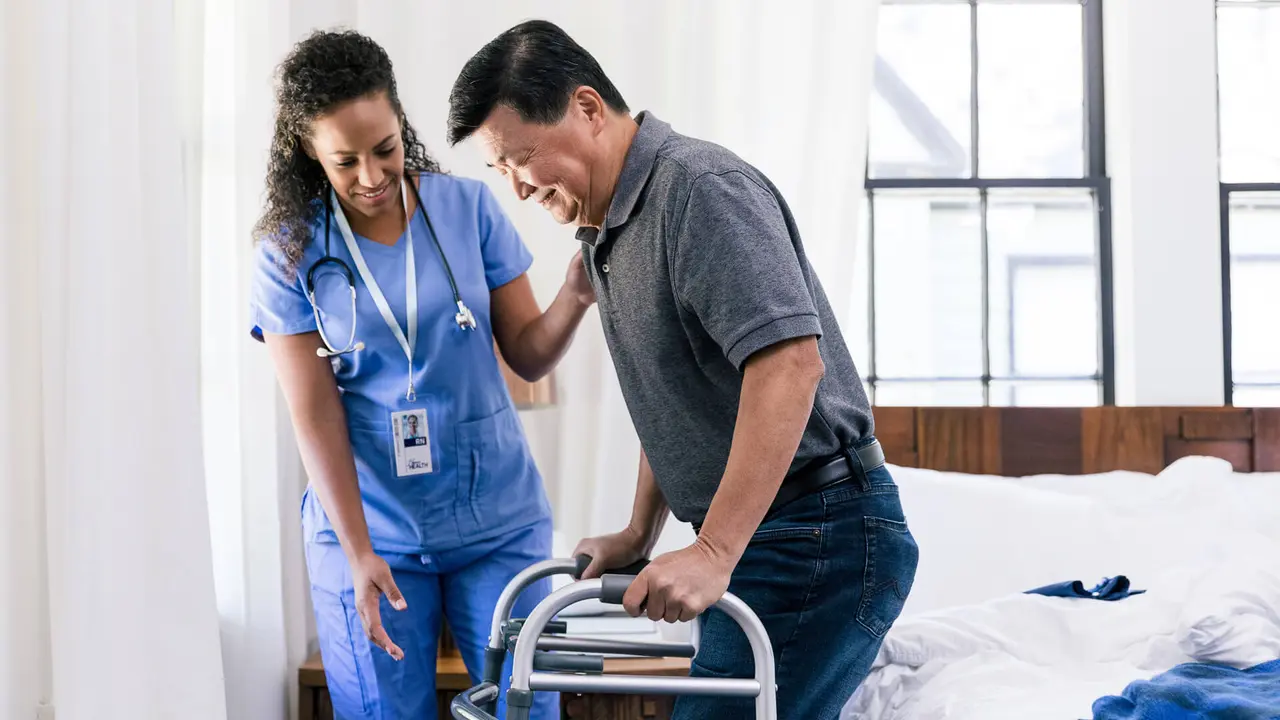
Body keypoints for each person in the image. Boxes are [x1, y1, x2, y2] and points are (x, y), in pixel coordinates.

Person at [447, 19, 920, 720]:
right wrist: (640, 534)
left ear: (584, 108)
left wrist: (713, 549)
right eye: (500, 170)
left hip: (821, 536)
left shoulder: (698, 190)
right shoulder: (608, 233)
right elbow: (672, 401)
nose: (517, 188)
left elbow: (790, 366)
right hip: (774, 539)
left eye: (523, 158)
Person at [250, 29, 591, 720]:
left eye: (385, 148)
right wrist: (356, 551)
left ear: (401, 123)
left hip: (496, 521)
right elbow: (313, 413)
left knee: (524, 709)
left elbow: (527, 352)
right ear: (308, 151)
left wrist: (576, 296)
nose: (372, 176)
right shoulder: (288, 254)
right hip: (370, 530)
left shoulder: (467, 209)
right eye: (346, 161)